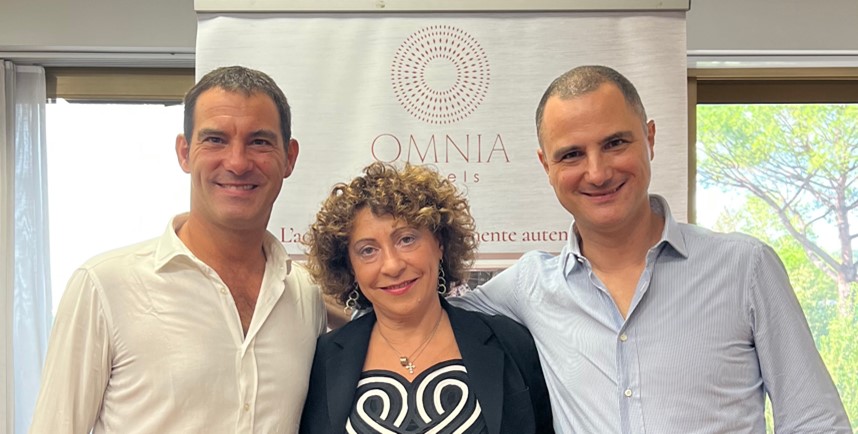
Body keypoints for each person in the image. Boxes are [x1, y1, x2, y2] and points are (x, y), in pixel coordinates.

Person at [452, 65, 851, 433]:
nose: (597, 172)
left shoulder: (745, 268)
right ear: (546, 166)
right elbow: (427, 311)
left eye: (615, 143)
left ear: (650, 138)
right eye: (572, 154)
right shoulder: (529, 286)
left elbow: (815, 421)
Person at [29, 66, 327, 433]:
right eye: (215, 140)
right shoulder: (104, 286)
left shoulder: (305, 296)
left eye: (259, 142)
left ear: (289, 157)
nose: (237, 162)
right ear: (184, 153)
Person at [299, 162, 554, 434]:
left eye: (407, 239)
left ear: (440, 243)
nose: (392, 266)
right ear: (350, 267)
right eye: (368, 250)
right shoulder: (320, 360)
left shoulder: (510, 341)